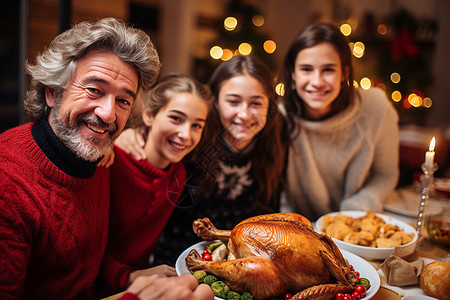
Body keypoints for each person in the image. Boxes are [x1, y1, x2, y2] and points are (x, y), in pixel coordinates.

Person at [0, 18, 213, 300]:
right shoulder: (7, 182)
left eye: (123, 101)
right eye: (94, 90)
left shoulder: (98, 161)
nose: (108, 114)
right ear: (52, 91)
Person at [114, 55, 290, 266]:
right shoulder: (193, 142)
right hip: (176, 261)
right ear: (215, 102)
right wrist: (125, 136)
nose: (244, 114)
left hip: (246, 262)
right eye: (233, 101)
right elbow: (162, 134)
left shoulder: (275, 142)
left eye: (256, 103)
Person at [99, 74, 212, 295]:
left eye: (197, 125)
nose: (185, 134)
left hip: (137, 287)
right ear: (150, 115)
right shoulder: (111, 161)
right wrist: (128, 276)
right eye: (176, 119)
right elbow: (80, 251)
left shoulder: (178, 174)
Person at [279, 23, 400, 221]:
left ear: (344, 73)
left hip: (358, 223)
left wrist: (356, 207)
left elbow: (385, 174)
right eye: (306, 69)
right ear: (293, 73)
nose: (317, 81)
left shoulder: (375, 107)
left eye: (328, 70)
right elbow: (279, 194)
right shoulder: (280, 118)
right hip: (303, 230)